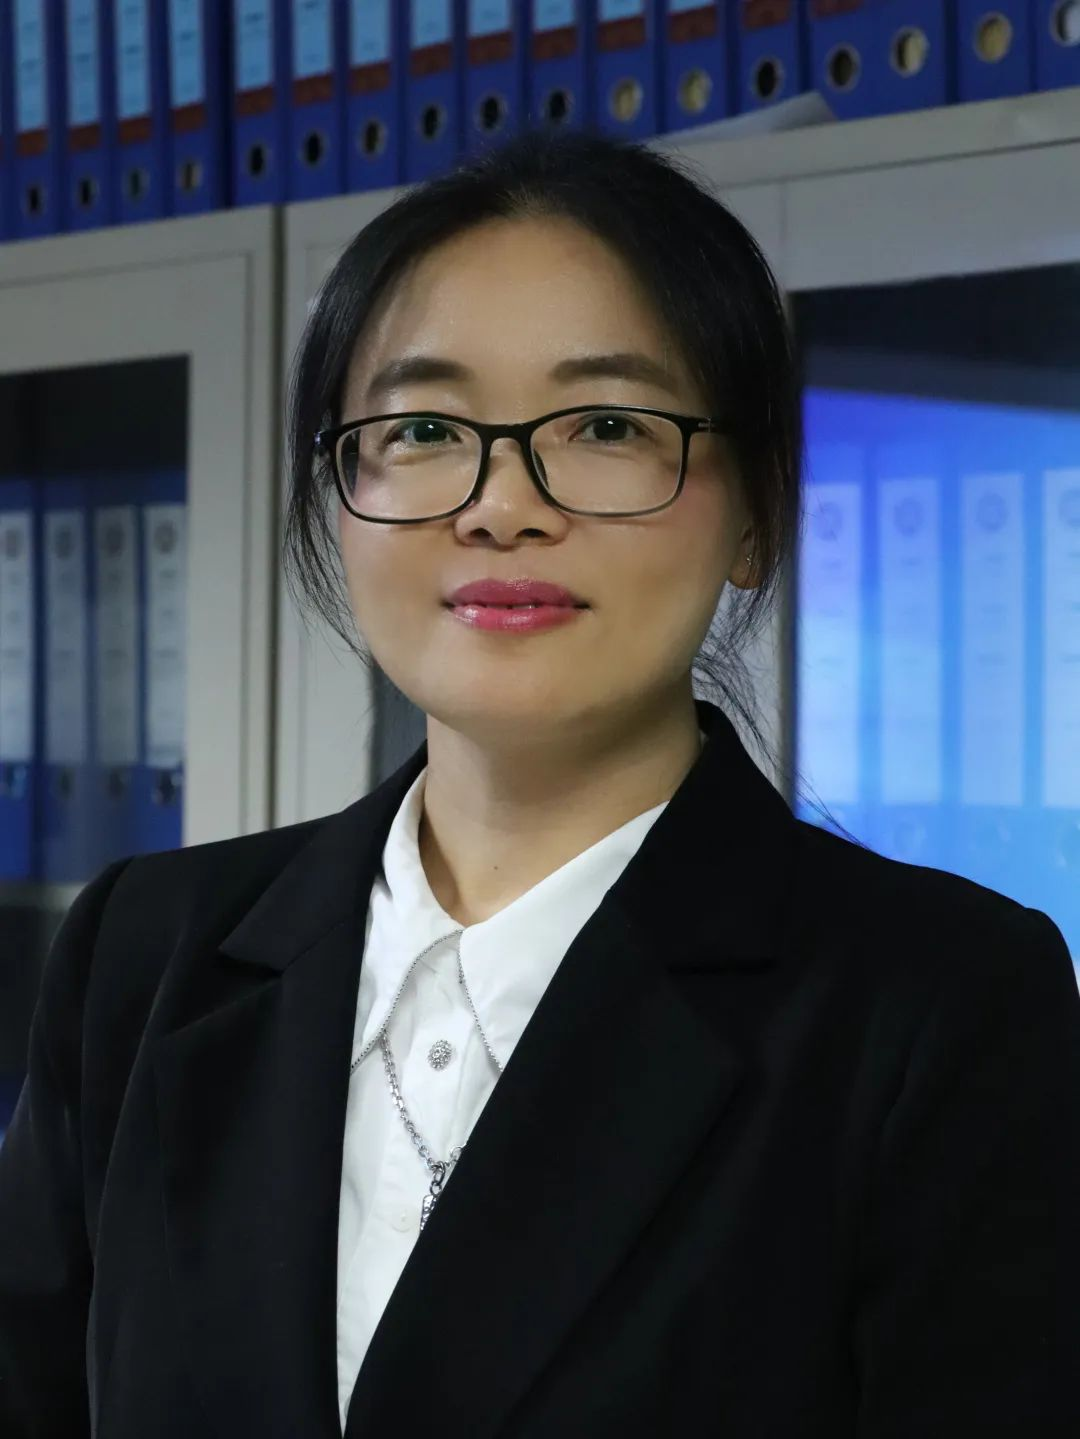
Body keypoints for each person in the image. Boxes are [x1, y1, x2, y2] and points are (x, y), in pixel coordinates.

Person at [1, 125, 1078, 1439]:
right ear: (340, 497)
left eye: (607, 424)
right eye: (423, 427)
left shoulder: (940, 1007)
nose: (500, 504)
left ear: (753, 511)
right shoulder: (143, 952)